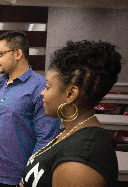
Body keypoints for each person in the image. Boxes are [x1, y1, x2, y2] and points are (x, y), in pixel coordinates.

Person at [20, 40, 121, 187]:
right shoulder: (69, 132)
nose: (42, 92)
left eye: (48, 87)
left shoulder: (82, 158)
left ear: (70, 94)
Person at [0, 31, 61, 187]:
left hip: (20, 177)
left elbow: (46, 139)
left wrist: (28, 177)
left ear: (18, 53)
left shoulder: (41, 87)